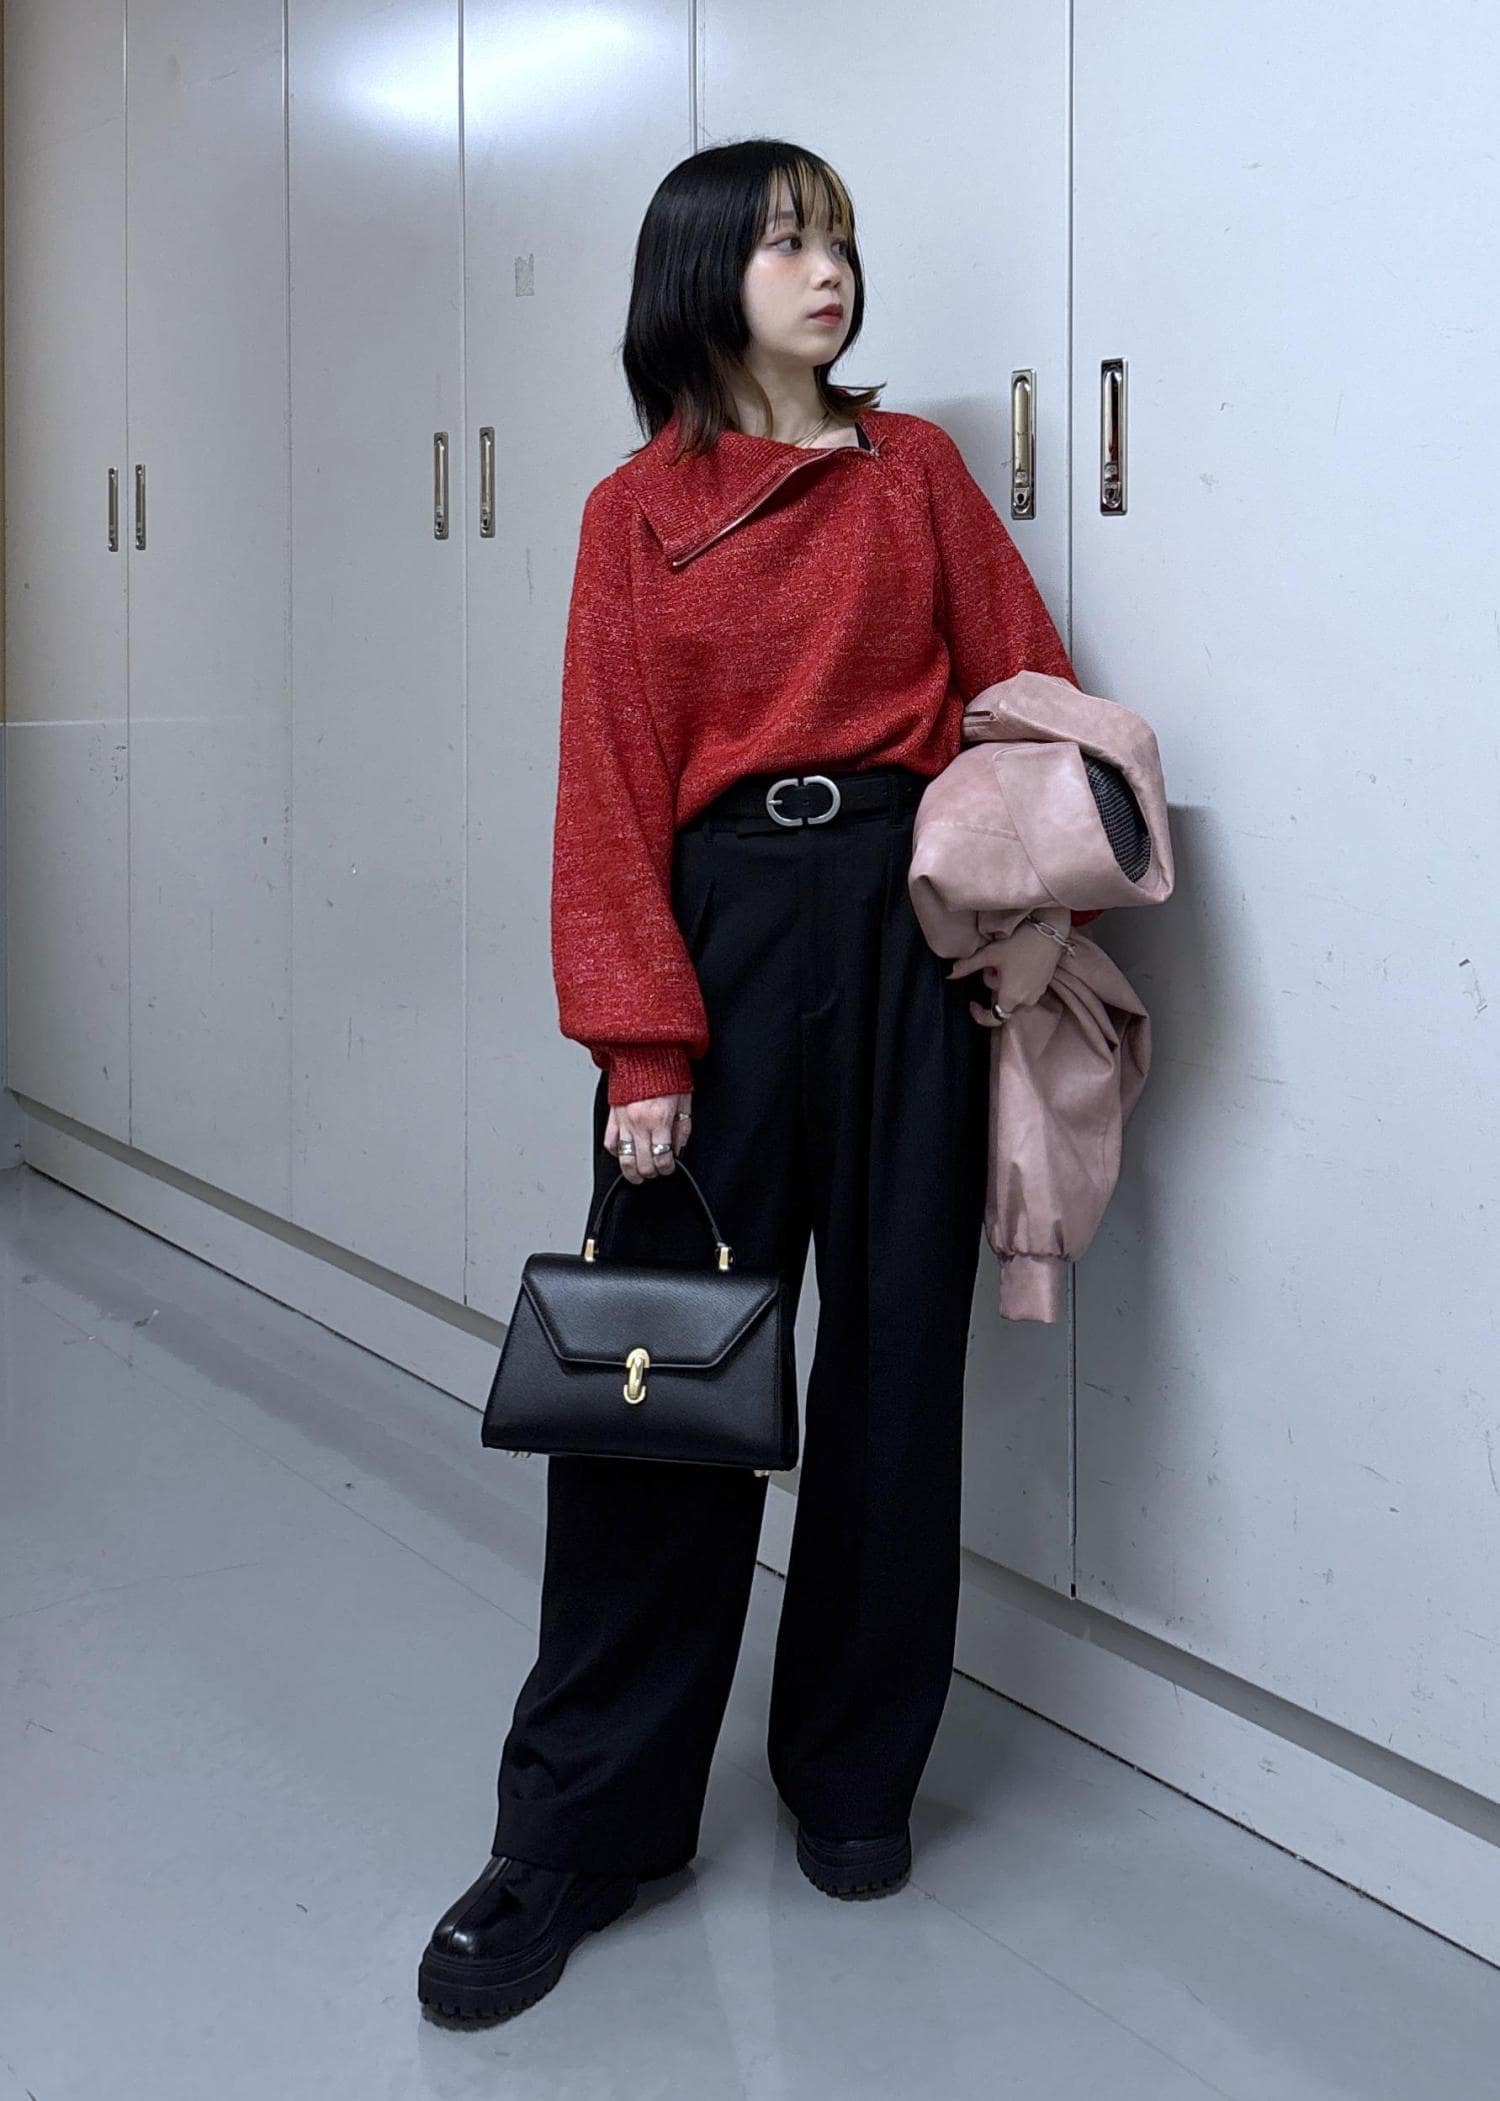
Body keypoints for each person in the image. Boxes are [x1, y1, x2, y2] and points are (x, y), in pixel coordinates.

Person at [417, 137, 1084, 2024]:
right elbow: (607, 789)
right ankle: (580, 1829)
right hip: (714, 936)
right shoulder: (635, 512)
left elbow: (1022, 686)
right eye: (788, 240)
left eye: (840, 238)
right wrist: (642, 1039)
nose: (827, 268)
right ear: (702, 271)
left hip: (899, 934)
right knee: (656, 1391)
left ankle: (853, 1776)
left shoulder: (916, 472)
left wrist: (1011, 877)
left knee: (895, 1365)